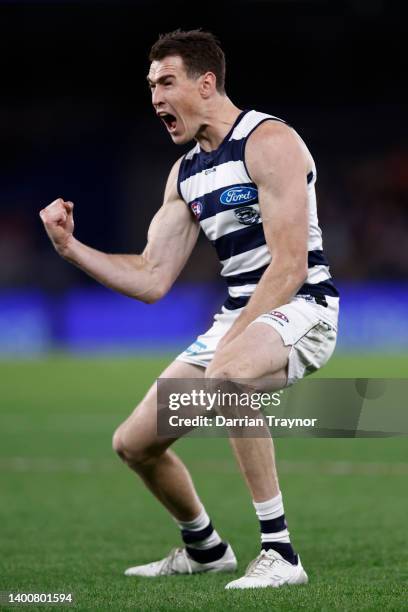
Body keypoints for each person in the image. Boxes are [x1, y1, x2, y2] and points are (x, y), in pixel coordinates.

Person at [39, 29, 339, 590]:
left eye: (166, 82)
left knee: (228, 376)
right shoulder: (185, 174)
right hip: (241, 320)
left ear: (206, 83)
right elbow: (152, 278)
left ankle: (281, 553)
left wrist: (233, 345)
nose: (154, 97)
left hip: (303, 309)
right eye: (150, 85)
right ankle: (205, 548)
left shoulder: (269, 141)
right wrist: (70, 248)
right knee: (134, 444)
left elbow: (290, 265)